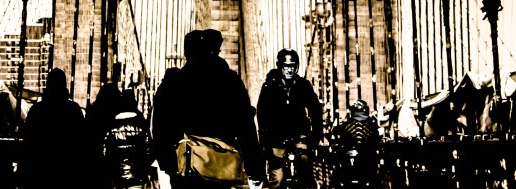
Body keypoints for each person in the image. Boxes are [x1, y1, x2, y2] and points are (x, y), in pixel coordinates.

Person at [151, 29, 265, 188]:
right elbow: (245, 127)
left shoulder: (174, 82)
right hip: (221, 164)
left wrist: (167, 162)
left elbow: (160, 126)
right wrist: (255, 167)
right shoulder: (230, 82)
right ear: (214, 51)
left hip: (185, 165)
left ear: (186, 53)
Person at [256, 49, 323, 189]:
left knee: (306, 173)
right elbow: (262, 114)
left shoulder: (303, 85)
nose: (289, 70)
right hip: (276, 138)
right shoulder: (269, 87)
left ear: (296, 67)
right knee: (277, 179)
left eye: (292, 66)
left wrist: (316, 135)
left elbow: (315, 109)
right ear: (280, 67)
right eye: (286, 66)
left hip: (299, 136)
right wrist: (265, 140)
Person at [20, 68, 88, 188]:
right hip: (67, 173)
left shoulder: (37, 111)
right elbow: (82, 144)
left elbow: (28, 143)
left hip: (41, 173)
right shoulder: (73, 110)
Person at [103, 88, 155, 189]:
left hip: (117, 174)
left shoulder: (112, 124)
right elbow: (149, 149)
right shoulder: (140, 121)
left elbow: (105, 151)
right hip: (137, 174)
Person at [331, 100, 382, 188]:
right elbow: (377, 139)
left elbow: (335, 134)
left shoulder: (345, 125)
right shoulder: (372, 126)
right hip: (366, 158)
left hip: (350, 160)